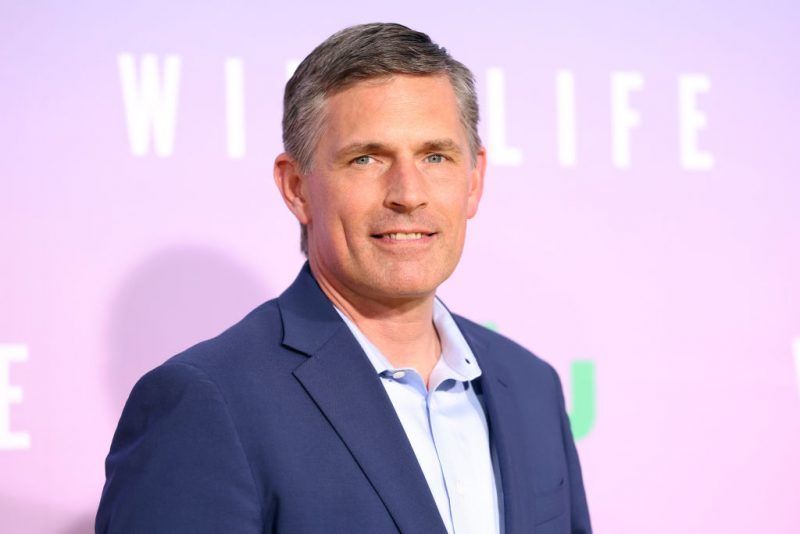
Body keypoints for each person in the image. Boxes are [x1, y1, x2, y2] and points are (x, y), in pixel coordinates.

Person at [96, 22, 592, 534]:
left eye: (435, 156)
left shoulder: (532, 386)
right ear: (296, 188)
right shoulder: (205, 403)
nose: (408, 193)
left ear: (474, 180)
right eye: (366, 158)